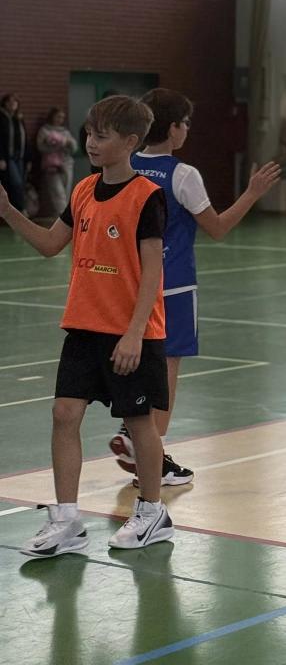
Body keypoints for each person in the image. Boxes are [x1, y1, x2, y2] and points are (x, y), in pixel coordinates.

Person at [0, 95, 174, 555]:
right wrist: (8, 210)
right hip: (83, 326)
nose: (91, 143)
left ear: (130, 142)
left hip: (131, 332)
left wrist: (135, 332)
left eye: (102, 135)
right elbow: (49, 244)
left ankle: (152, 511)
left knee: (139, 423)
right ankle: (66, 521)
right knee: (64, 414)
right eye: (89, 134)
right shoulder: (81, 190)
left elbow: (153, 271)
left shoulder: (147, 196)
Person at [109, 88, 281, 484]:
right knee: (167, 370)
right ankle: (150, 450)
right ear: (172, 129)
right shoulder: (182, 175)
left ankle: (136, 438)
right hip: (173, 287)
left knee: (138, 362)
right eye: (185, 123)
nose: (188, 130)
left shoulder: (126, 166)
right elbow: (217, 227)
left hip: (129, 285)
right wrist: (252, 193)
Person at [37, 108, 79, 217]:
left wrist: (68, 143)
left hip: (66, 163)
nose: (60, 119)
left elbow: (74, 147)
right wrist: (55, 145)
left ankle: (62, 214)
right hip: (52, 165)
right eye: (58, 117)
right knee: (57, 191)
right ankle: (64, 215)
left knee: (66, 190)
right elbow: (40, 147)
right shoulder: (45, 130)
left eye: (62, 117)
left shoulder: (65, 131)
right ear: (52, 116)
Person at [0, 93, 28, 212]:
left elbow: (24, 139)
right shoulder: (2, 118)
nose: (12, 104)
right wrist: (1, 157)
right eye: (10, 102)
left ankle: (17, 209)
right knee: (16, 183)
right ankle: (19, 209)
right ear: (4, 103)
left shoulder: (18, 119)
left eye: (15, 102)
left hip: (19, 157)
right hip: (8, 157)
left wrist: (28, 158)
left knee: (20, 183)